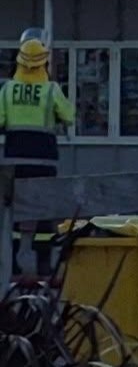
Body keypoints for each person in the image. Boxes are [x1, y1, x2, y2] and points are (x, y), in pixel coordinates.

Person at [2, 28, 74, 275]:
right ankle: (44, 263)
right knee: (44, 211)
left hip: (13, 161)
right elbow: (70, 116)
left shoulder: (8, 90)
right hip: (44, 160)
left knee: (14, 212)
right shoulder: (51, 90)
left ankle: (12, 264)